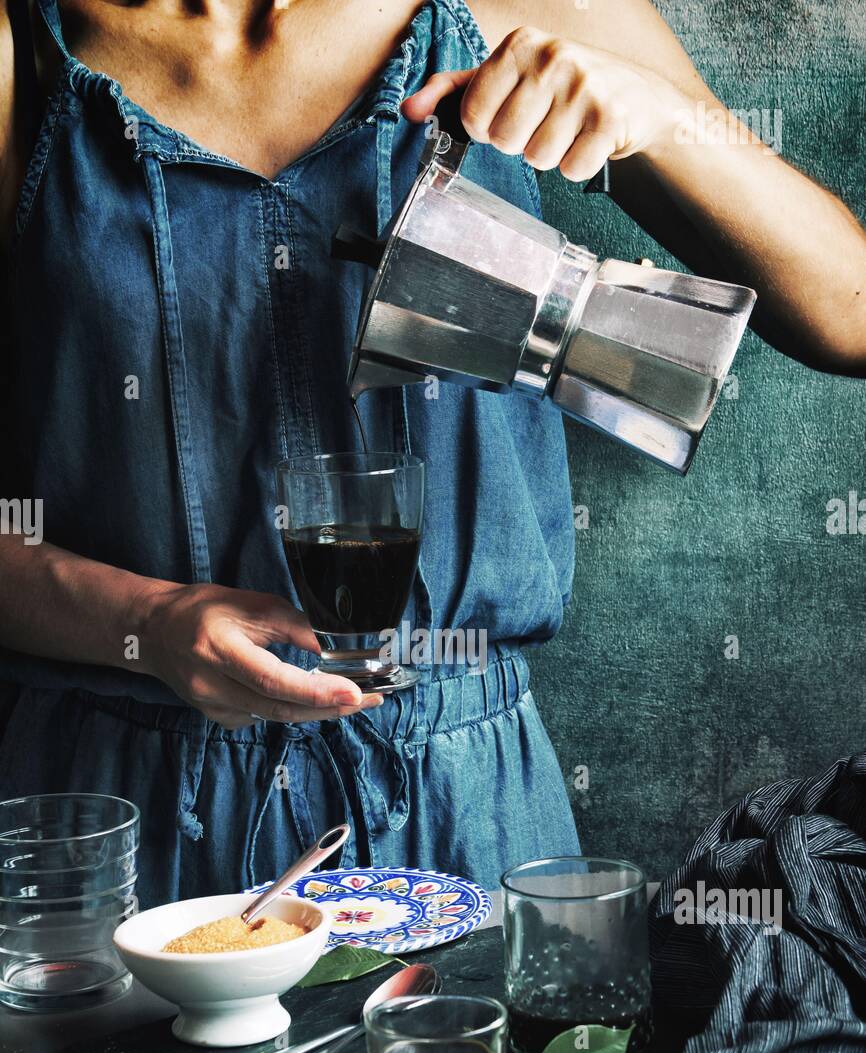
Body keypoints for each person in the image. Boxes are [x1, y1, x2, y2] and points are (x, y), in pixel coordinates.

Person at [0, 0, 863, 909]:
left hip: (466, 808)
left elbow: (849, 314)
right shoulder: (25, 45)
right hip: (113, 828)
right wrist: (151, 622)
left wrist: (655, 121)